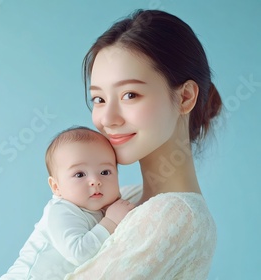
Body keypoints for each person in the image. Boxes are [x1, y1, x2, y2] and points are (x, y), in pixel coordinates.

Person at [65, 9, 222, 279]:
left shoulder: (175, 215)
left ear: (185, 97)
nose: (108, 119)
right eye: (99, 99)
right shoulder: (125, 196)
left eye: (129, 94)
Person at [0, 126, 135, 280]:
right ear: (56, 187)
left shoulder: (107, 207)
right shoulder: (61, 210)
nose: (95, 181)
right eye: (79, 174)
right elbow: (79, 254)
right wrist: (110, 222)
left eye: (105, 172)